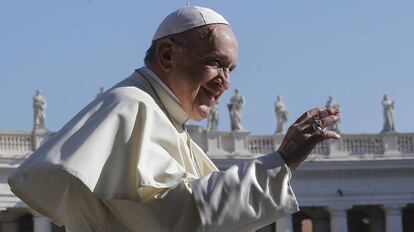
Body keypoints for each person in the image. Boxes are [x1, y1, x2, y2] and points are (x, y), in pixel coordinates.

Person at [8, 5, 341, 232]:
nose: (225, 81)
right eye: (216, 63)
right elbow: (177, 217)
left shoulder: (165, 119)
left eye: (231, 70)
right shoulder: (129, 108)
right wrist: (279, 162)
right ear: (167, 55)